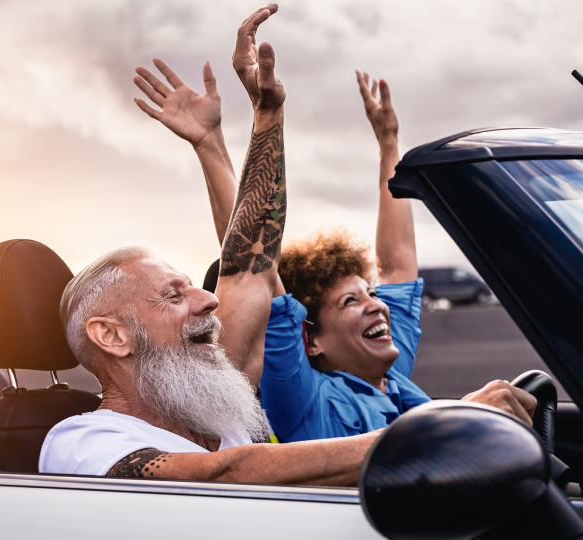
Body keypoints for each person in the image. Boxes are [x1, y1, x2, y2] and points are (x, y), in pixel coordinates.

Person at [125, 4, 536, 444]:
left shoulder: (392, 372)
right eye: (349, 303)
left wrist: (389, 144)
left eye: (369, 294)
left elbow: (397, 266)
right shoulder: (303, 397)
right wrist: (212, 144)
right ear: (311, 341)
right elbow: (254, 265)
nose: (376, 306)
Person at [40, 5, 379, 485]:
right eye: (173, 295)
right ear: (112, 336)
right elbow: (225, 476)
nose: (209, 297)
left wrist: (267, 116)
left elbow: (251, 269)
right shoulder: (83, 443)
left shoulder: (214, 410)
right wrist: (424, 433)